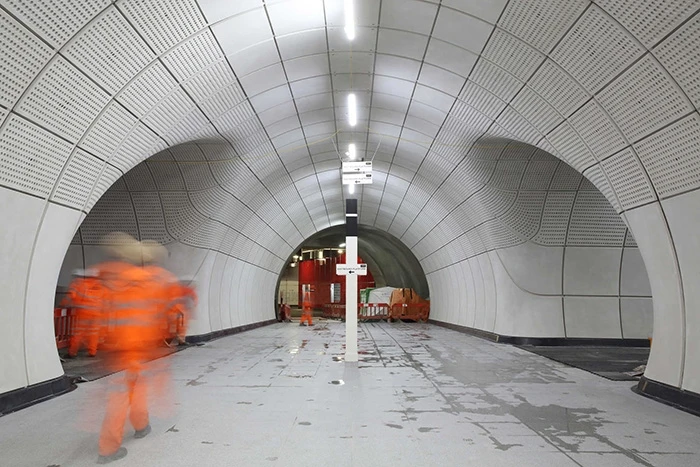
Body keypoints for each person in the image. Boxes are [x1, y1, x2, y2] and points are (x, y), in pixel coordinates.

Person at [97, 237, 171, 464]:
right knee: (125, 397)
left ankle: (141, 425)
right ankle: (108, 450)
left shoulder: (108, 278)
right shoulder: (144, 281)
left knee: (132, 392)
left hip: (115, 349)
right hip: (136, 350)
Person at [62, 268, 104, 358]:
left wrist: (64, 304)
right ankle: (92, 352)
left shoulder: (83, 285)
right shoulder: (100, 287)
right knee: (94, 333)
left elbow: (73, 297)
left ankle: (72, 352)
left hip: (84, 313)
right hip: (96, 313)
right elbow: (105, 300)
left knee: (79, 333)